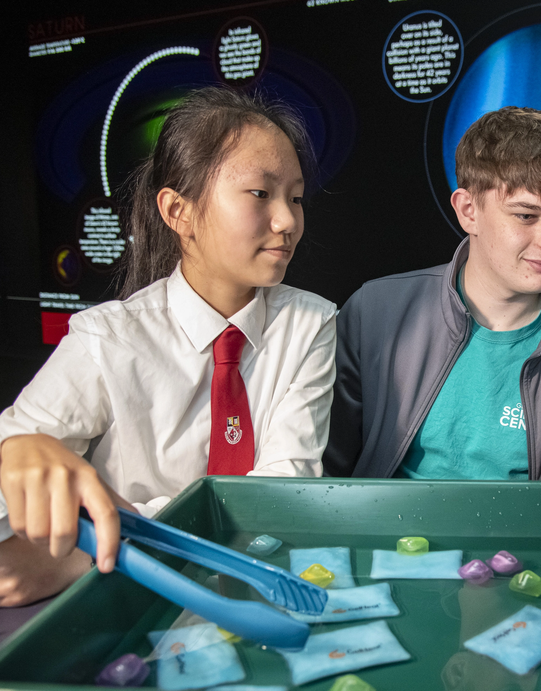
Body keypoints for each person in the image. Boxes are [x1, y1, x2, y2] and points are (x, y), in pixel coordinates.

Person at [0, 86, 337, 606]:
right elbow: (13, 527)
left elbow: (280, 495)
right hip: (127, 602)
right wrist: (19, 455)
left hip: (248, 584)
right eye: (260, 194)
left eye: (294, 197)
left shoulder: (310, 323)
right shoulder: (106, 338)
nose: (288, 220)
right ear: (178, 211)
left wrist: (113, 529)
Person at [322, 107, 541, 482]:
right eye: (526, 216)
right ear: (468, 211)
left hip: (526, 540)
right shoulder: (376, 313)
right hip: (387, 534)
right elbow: (324, 474)